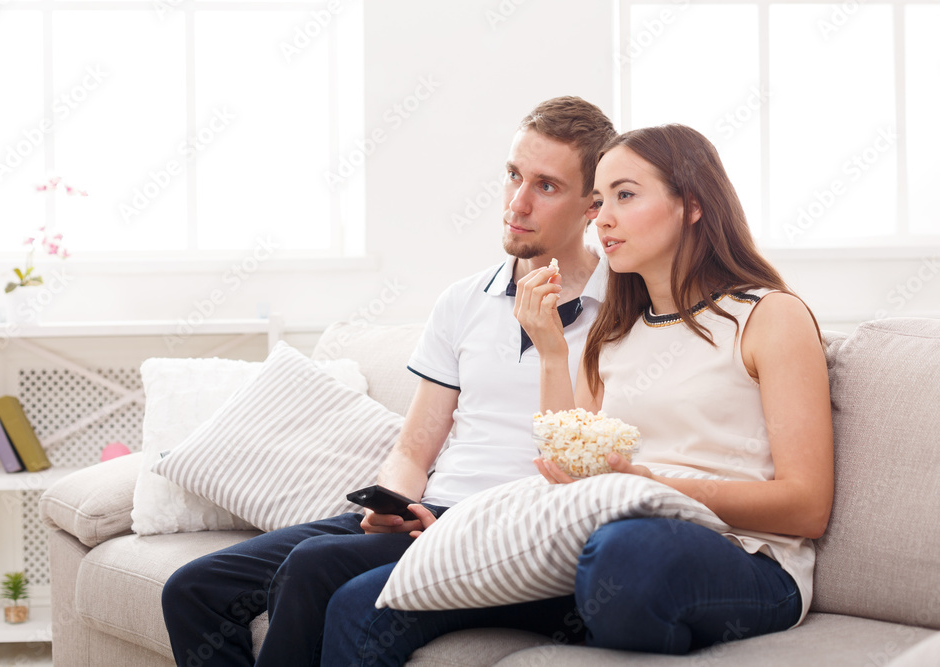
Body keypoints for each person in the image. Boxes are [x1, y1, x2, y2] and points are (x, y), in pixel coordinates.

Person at [321, 124, 833, 663]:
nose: (603, 217)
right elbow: (566, 468)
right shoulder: (614, 333)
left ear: (693, 205)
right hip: (602, 547)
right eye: (599, 200)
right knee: (362, 603)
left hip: (743, 556)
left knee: (627, 554)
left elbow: (807, 507)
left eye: (625, 195)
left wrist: (652, 485)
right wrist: (549, 351)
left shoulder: (769, 316)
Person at [160, 96, 616, 667]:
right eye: (512, 176)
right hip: (426, 514)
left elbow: (588, 471)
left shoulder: (621, 313)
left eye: (546, 186)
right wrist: (396, 501)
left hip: (506, 534)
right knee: (192, 590)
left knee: (311, 569)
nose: (516, 203)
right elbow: (412, 448)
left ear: (591, 205)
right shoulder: (463, 301)